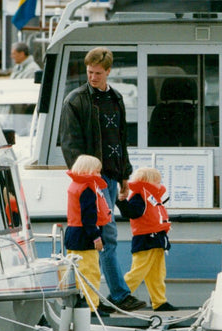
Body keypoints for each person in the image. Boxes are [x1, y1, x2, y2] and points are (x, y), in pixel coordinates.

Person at [59, 46, 146, 313]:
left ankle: (103, 296)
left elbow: (121, 141)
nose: (92, 77)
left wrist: (124, 177)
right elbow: (69, 144)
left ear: (108, 71)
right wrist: (86, 179)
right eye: (89, 72)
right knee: (105, 234)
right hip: (93, 179)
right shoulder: (75, 101)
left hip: (110, 176)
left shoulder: (117, 98)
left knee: (105, 235)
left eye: (97, 73)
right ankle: (115, 295)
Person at [116, 167, 177, 312]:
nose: (160, 185)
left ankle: (159, 302)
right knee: (138, 271)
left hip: (157, 239)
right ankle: (118, 297)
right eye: (157, 182)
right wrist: (121, 201)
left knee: (157, 273)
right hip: (145, 239)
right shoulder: (139, 197)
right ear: (148, 182)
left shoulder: (150, 197)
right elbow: (131, 213)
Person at [64, 155, 112, 316]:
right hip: (85, 237)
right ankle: (91, 307)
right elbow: (89, 217)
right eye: (97, 172)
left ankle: (78, 304)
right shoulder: (87, 189)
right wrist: (96, 237)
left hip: (73, 233)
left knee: (76, 273)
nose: (99, 175)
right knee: (90, 272)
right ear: (89, 170)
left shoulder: (75, 185)